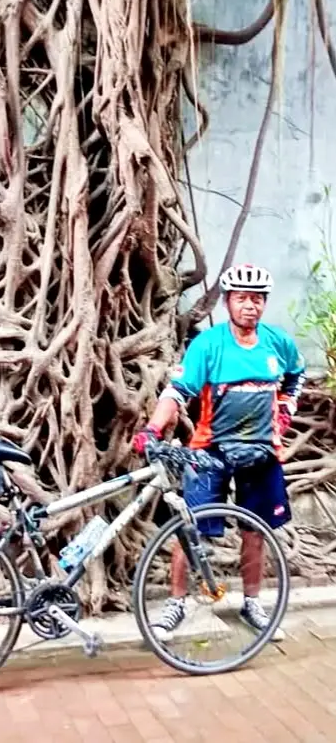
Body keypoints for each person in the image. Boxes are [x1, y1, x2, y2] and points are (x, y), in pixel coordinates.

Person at [132, 263, 305, 642]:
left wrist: (286, 411)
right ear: (227, 302)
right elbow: (177, 393)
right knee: (189, 528)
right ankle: (176, 602)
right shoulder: (208, 345)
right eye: (242, 298)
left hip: (263, 452)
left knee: (255, 532)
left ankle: (252, 603)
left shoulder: (277, 342)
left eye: (257, 299)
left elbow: (296, 375)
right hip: (210, 450)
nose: (250, 306)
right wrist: (152, 429)